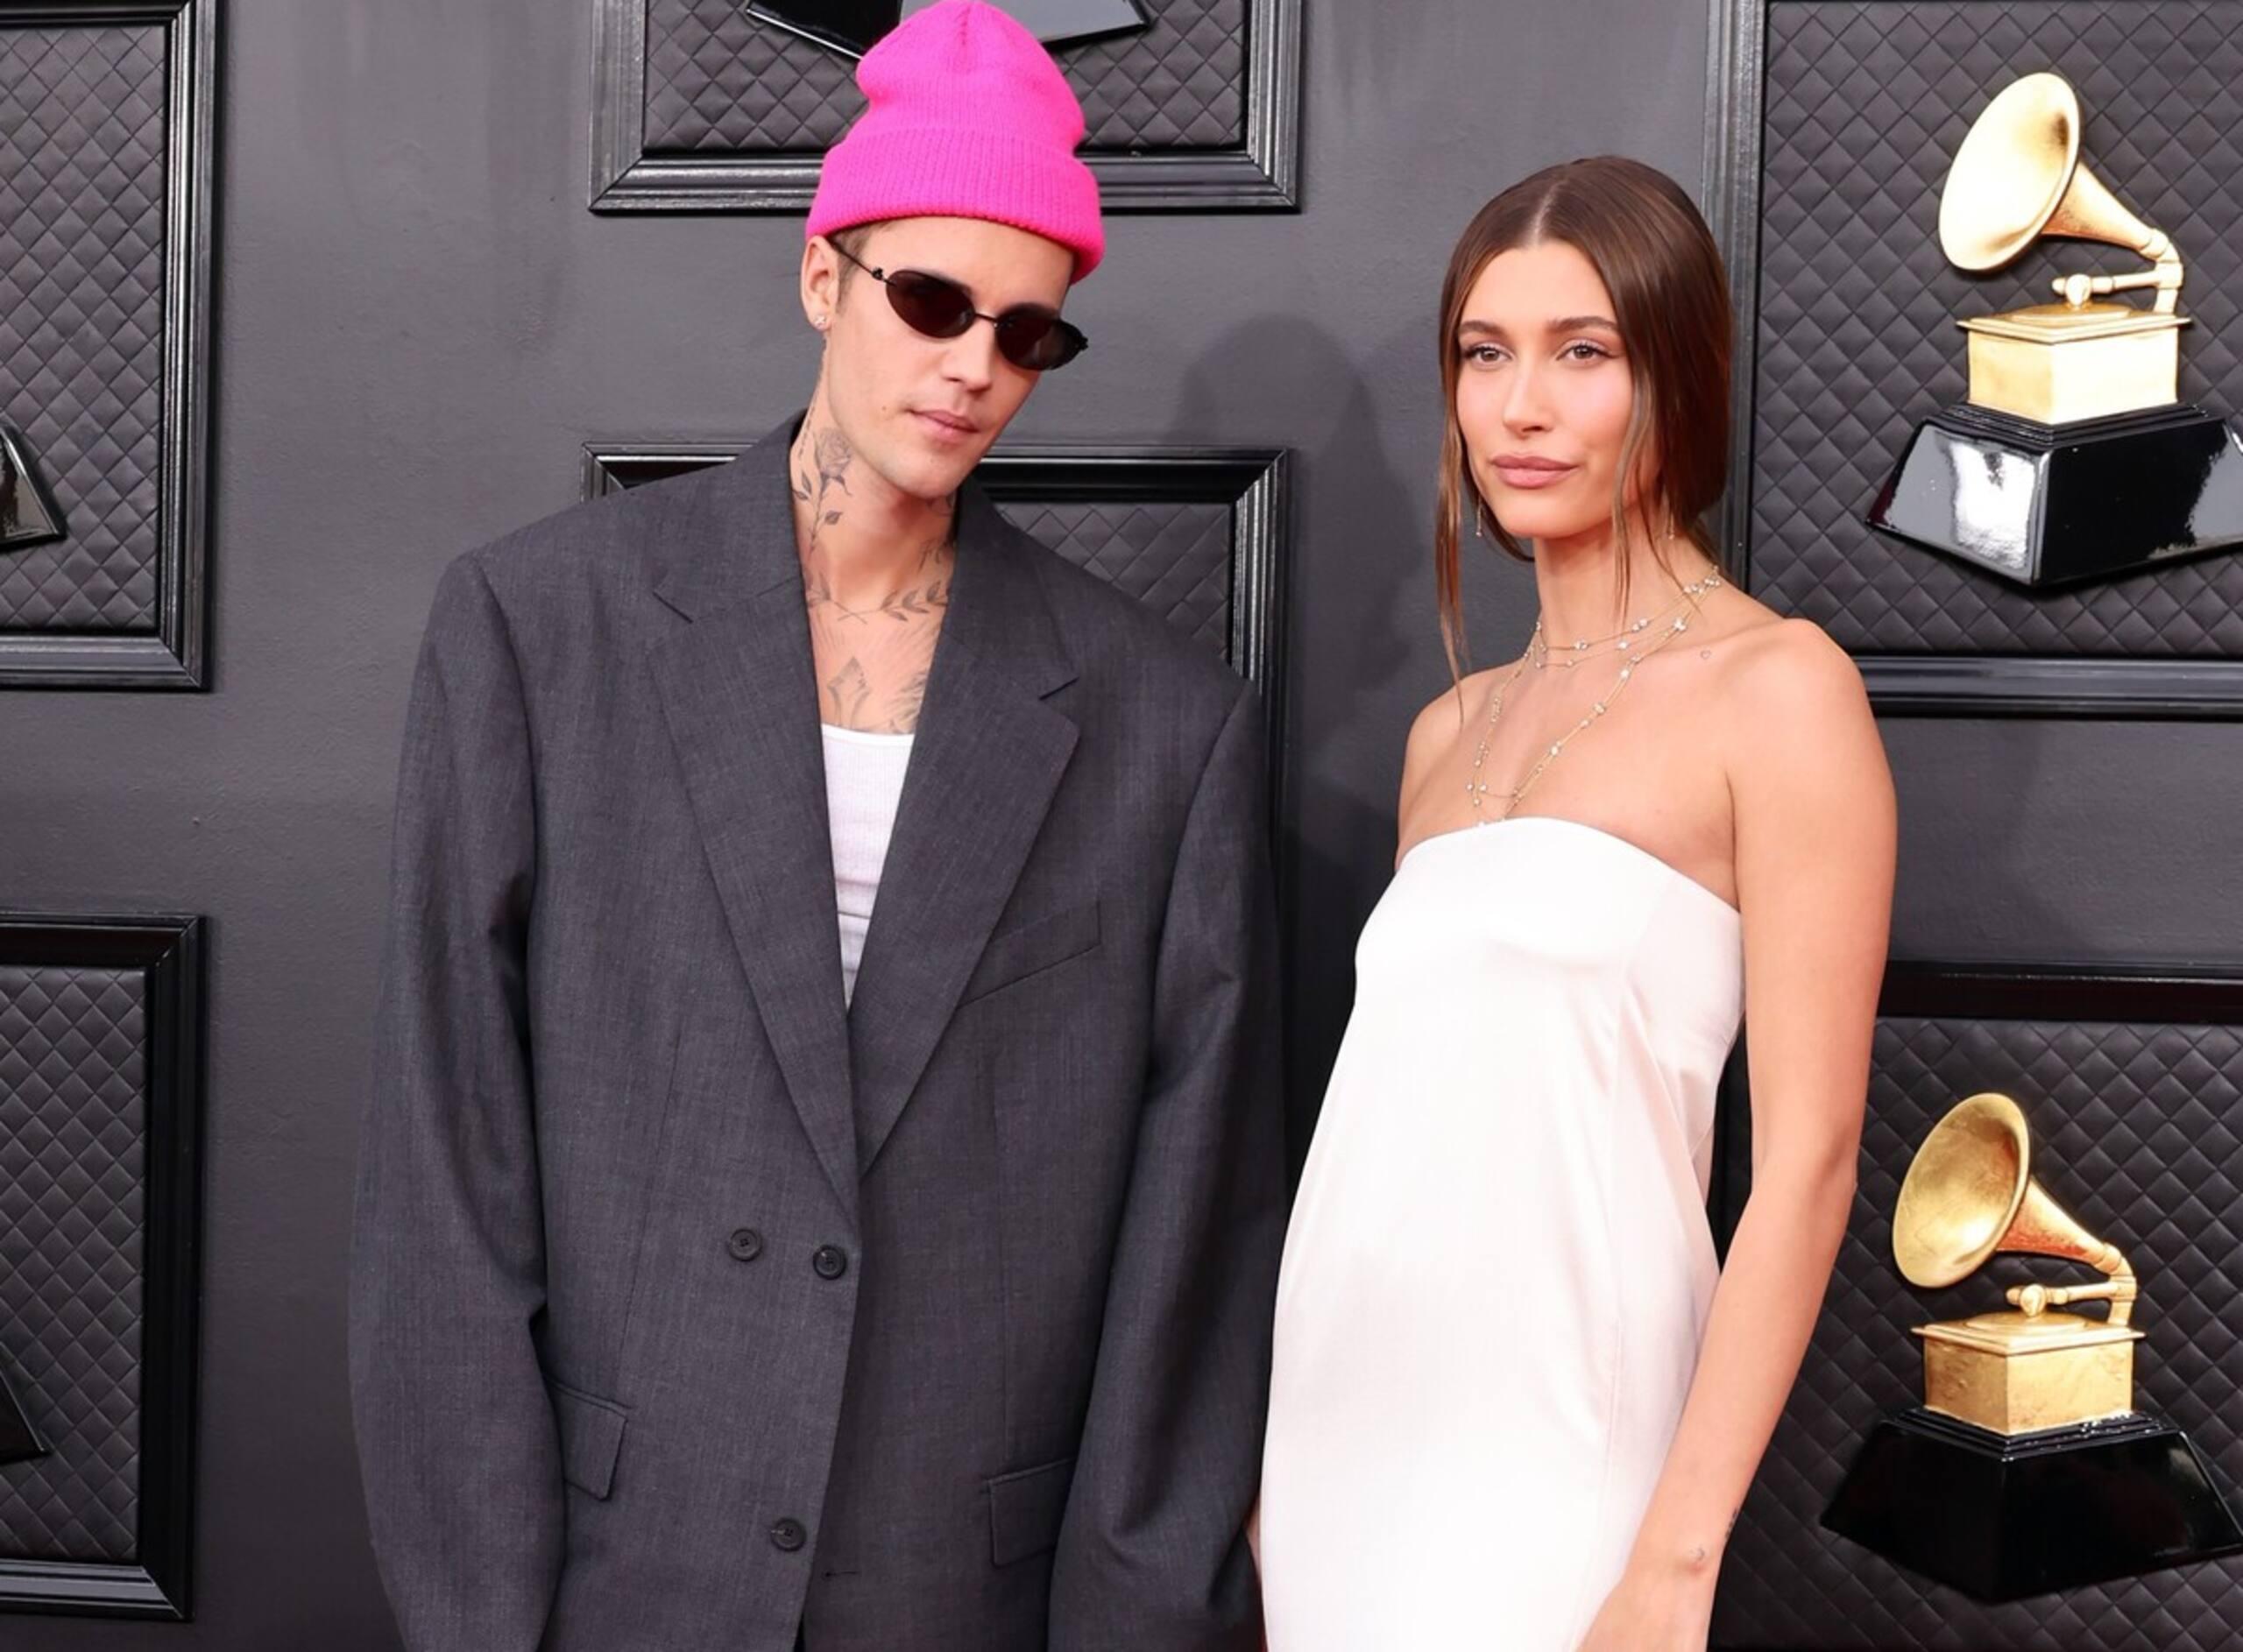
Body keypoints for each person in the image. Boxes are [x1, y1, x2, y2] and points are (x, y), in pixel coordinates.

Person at [349, 4, 1283, 1648]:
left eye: (1027, 332)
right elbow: (447, 1172)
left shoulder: (1161, 726)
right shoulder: (539, 629)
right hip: (613, 1582)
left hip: (954, 1592)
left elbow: (1189, 1267)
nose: (975, 363)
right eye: (932, 299)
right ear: (821, 275)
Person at [1256, 156, 1894, 1651]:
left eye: (1581, 351)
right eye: (1487, 354)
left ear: (1677, 372)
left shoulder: (1780, 691)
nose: (1520, 405)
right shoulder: (1448, 730)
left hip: (1566, 1438)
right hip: (1342, 1422)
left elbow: (1808, 1163)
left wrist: (1676, 1555)